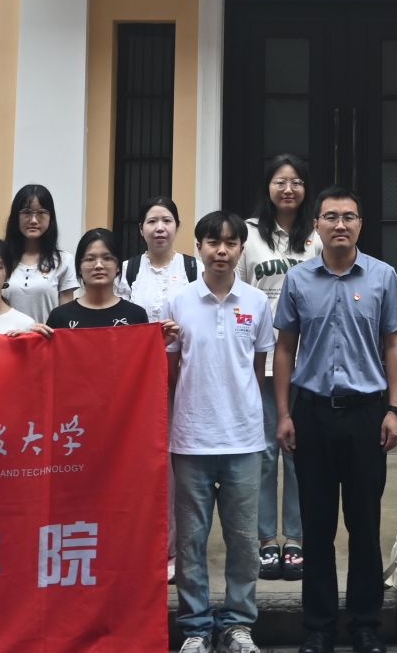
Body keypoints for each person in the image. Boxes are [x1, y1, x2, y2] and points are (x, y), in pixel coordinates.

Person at [273, 185, 397, 653]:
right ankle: (318, 626)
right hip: (311, 413)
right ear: (315, 225)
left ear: (360, 224)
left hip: (366, 414)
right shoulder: (298, 280)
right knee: (316, 526)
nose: (340, 224)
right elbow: (285, 348)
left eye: (348, 217)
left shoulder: (382, 277)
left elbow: (395, 344)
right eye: (330, 216)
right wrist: (284, 413)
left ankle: (365, 623)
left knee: (364, 524)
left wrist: (395, 410)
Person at [167, 211, 277, 653]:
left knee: (244, 541)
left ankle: (237, 624)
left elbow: (258, 368)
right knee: (191, 541)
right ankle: (196, 627)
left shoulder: (257, 302)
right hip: (191, 437)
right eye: (213, 242)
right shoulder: (178, 302)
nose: (221, 251)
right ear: (198, 248)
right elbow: (170, 369)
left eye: (231, 243)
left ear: (241, 250)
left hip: (244, 438)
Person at [240, 153, 319, 582]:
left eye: (296, 182)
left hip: (308, 359)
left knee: (298, 454)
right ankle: (266, 540)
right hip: (261, 359)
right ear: (267, 187)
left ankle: (297, 539)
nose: (288, 189)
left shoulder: (316, 235)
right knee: (266, 453)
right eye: (280, 181)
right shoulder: (249, 234)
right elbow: (236, 293)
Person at [0, 182, 78, 321]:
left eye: (41, 213)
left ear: (50, 217)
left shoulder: (64, 260)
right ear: (16, 217)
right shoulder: (0, 259)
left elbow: (66, 317)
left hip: (47, 334)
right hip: (7, 334)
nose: (34, 220)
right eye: (26, 213)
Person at [48, 228, 149, 328]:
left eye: (107, 258)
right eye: (90, 259)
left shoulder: (136, 316)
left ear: (118, 266)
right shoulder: (59, 317)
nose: (99, 265)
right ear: (79, 267)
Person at [118, 196, 198, 321]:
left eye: (167, 221)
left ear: (177, 226)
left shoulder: (195, 268)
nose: (160, 228)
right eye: (152, 221)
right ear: (141, 229)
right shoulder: (126, 269)